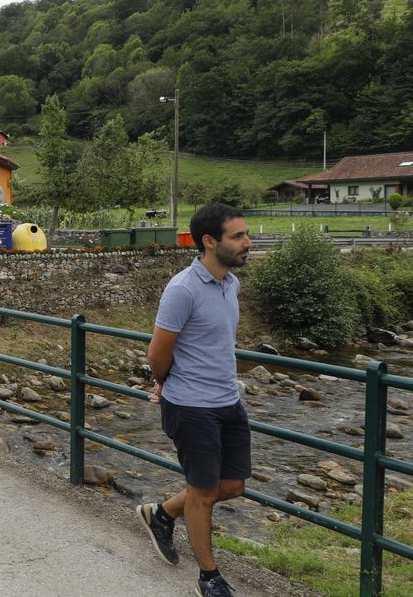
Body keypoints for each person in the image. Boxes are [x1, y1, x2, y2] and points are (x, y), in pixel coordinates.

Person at [136, 203, 252, 597]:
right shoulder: (183, 289)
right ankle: (209, 577)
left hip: (227, 400)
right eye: (237, 237)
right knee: (202, 492)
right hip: (191, 406)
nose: (247, 243)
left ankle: (162, 513)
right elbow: (157, 353)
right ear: (209, 242)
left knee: (232, 485)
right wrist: (164, 382)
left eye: (245, 235)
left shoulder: (231, 283)